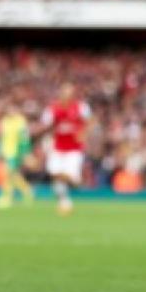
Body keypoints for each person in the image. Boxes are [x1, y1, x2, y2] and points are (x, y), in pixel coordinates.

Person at [39, 84, 91, 216]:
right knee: (55, 174)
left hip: (74, 149)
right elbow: (45, 125)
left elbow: (90, 121)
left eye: (70, 92)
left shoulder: (81, 107)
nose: (67, 95)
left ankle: (77, 182)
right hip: (58, 148)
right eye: (65, 92)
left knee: (67, 177)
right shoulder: (52, 109)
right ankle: (65, 202)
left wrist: (84, 133)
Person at [0, 102, 35, 209]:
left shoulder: (20, 121)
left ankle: (7, 198)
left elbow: (25, 137)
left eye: (13, 109)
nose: (10, 111)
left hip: (16, 151)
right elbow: (1, 137)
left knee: (9, 173)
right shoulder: (4, 121)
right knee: (11, 174)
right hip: (6, 151)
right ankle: (27, 190)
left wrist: (25, 151)